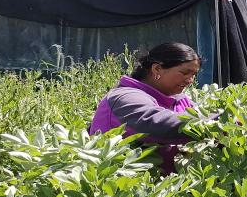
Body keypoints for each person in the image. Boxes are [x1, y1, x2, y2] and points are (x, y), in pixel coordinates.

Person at [89, 43, 207, 174]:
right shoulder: (124, 97)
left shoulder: (180, 99)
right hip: (125, 188)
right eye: (185, 73)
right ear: (157, 69)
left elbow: (204, 116)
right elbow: (160, 125)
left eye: (194, 75)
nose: (190, 80)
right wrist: (218, 118)